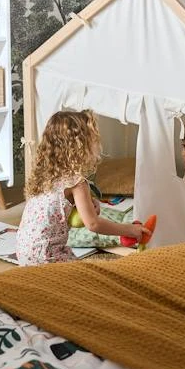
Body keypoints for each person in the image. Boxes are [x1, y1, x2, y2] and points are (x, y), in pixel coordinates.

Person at [16, 109, 150, 266]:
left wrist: (89, 202)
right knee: (87, 274)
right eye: (94, 139)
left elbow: (54, 211)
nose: (97, 144)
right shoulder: (77, 182)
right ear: (79, 147)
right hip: (47, 254)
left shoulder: (44, 175)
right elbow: (93, 224)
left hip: (24, 250)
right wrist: (129, 230)